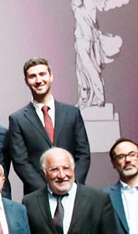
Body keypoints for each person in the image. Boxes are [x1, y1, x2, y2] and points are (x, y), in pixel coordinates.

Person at [8, 58, 91, 194]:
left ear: (51, 76)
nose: (38, 80)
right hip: (38, 196)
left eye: (42, 74)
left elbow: (83, 154)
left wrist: (71, 184)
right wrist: (45, 191)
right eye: (32, 76)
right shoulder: (17, 119)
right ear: (26, 81)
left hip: (73, 192)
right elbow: (21, 162)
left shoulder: (72, 113)